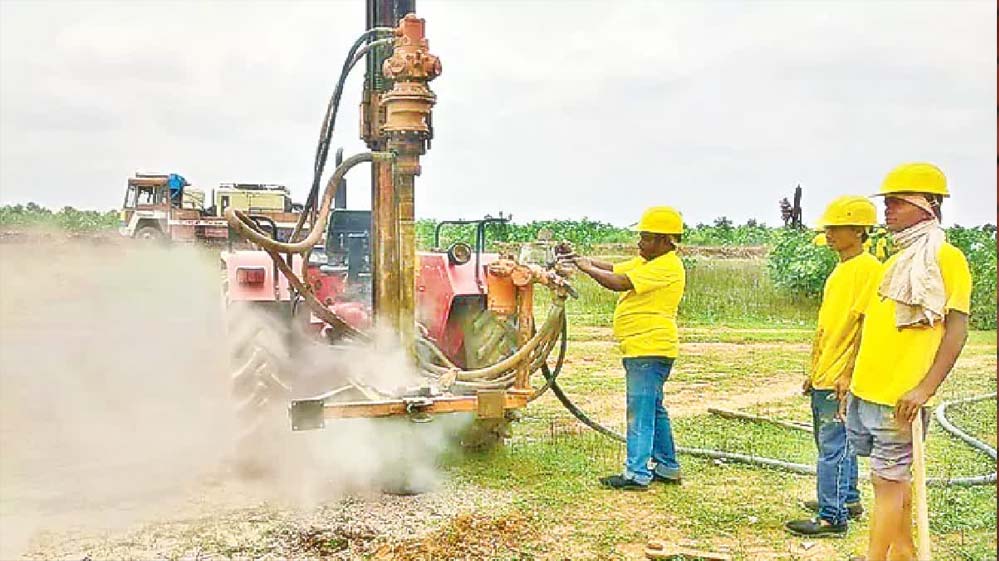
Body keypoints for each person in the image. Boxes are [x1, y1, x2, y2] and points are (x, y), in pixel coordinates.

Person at [846, 163, 971, 561]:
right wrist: (849, 376)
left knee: (888, 484)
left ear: (929, 206)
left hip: (900, 397)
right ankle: (903, 552)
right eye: (888, 202)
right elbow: (869, 328)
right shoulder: (893, 263)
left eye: (898, 202)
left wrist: (924, 389)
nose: (888, 210)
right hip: (866, 391)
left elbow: (956, 331)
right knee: (889, 483)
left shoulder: (946, 259)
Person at [569, 206, 686, 491]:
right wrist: (580, 260)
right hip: (643, 348)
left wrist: (585, 269)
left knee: (640, 411)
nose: (639, 243)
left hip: (648, 349)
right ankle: (668, 467)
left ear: (663, 240)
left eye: (645, 237)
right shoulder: (648, 262)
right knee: (654, 409)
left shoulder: (666, 266)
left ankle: (636, 474)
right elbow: (613, 268)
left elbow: (618, 282)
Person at [785, 196, 881, 537]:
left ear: (858, 230)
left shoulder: (868, 270)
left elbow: (865, 326)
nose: (829, 233)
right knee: (836, 443)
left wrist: (847, 373)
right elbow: (830, 326)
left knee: (832, 447)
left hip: (841, 376)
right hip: (827, 372)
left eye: (836, 227)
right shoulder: (842, 269)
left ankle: (832, 517)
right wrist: (816, 370)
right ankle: (847, 499)